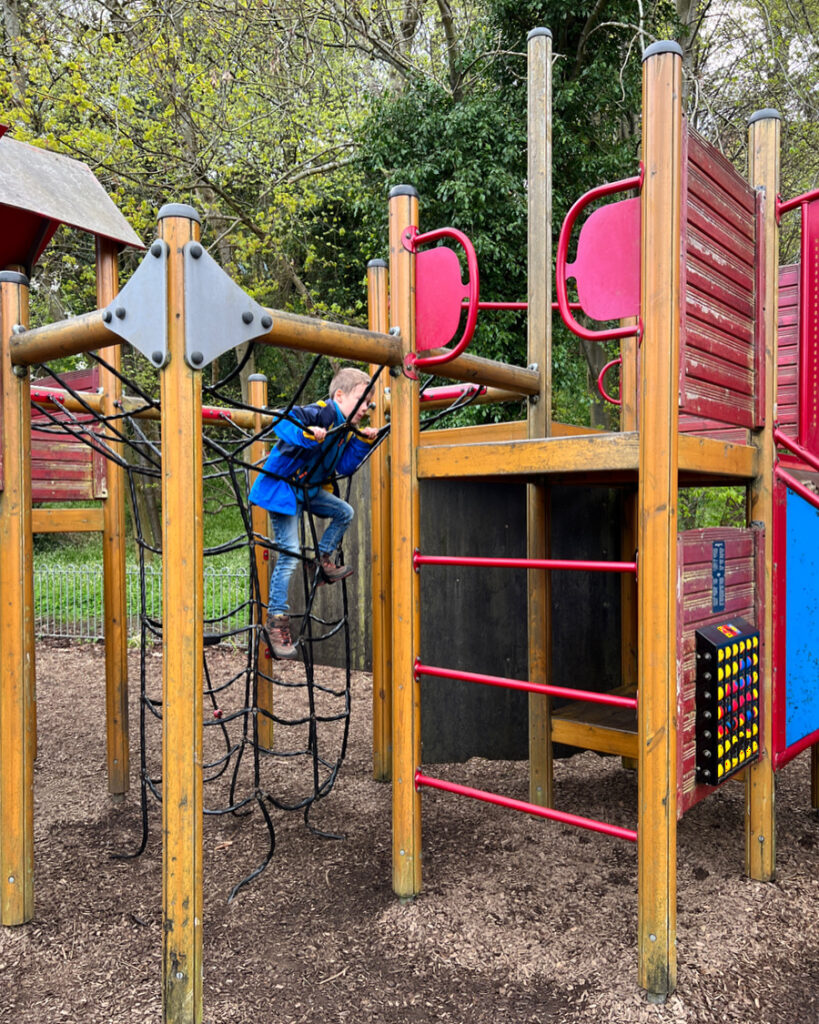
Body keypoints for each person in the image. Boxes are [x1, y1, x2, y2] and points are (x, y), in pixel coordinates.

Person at [249, 366, 378, 658]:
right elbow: (280, 421)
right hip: (283, 489)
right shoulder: (321, 413)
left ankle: (320, 562)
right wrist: (308, 433)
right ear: (340, 395)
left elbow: (343, 466)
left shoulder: (346, 430)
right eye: (361, 400)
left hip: (308, 489)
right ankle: (277, 620)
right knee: (290, 551)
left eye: (369, 404)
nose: (365, 408)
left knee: (345, 512)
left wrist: (361, 440)